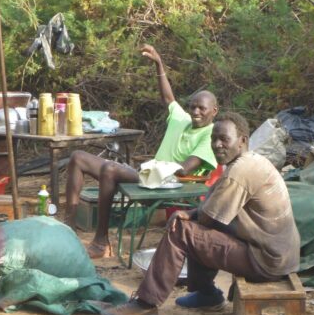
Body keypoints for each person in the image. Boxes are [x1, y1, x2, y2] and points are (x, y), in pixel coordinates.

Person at [98, 112, 301, 315]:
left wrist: (189, 217)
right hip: (275, 254)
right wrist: (191, 213)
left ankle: (145, 306)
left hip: (266, 260)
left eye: (224, 139)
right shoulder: (249, 161)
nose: (217, 144)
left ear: (242, 141)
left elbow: (208, 219)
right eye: (214, 138)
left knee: (182, 230)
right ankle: (206, 295)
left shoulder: (240, 171)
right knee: (194, 226)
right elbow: (210, 208)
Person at [64, 44, 218, 258]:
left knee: (109, 168)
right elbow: (168, 99)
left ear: (214, 111)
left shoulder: (210, 134)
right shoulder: (182, 120)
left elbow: (184, 169)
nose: (196, 111)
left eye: (202, 108)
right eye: (193, 106)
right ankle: (68, 228)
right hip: (148, 176)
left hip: (170, 185)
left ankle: (101, 242)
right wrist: (159, 64)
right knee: (78, 157)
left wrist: (153, 166)